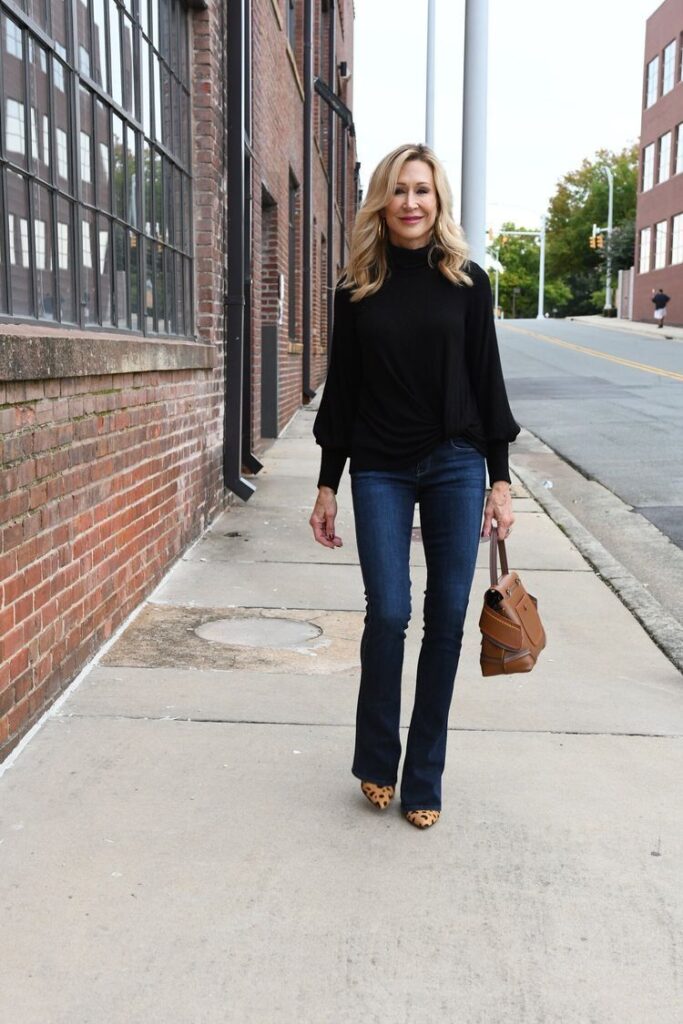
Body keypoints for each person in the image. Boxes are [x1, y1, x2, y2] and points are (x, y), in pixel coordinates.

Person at [308, 143, 519, 829]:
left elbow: (487, 381)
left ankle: (422, 776)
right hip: (379, 465)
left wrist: (500, 480)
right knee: (390, 613)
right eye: (398, 190)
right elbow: (341, 390)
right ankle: (376, 756)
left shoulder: (467, 282)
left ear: (438, 200)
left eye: (422, 191)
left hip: (457, 462)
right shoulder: (357, 287)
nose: (410, 203)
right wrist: (326, 483)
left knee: (445, 621)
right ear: (382, 199)